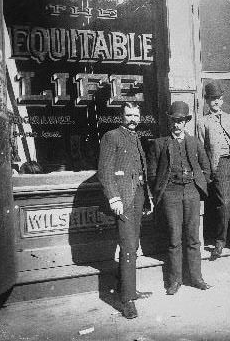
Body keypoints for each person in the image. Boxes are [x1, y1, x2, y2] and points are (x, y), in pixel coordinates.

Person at [147, 101, 212, 296]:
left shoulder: (194, 142)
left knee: (193, 237)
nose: (177, 125)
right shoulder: (159, 144)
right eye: (174, 121)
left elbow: (206, 167)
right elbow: (151, 173)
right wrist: (162, 191)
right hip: (171, 193)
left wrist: (200, 185)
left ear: (186, 122)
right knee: (174, 238)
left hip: (191, 191)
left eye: (181, 121)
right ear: (170, 121)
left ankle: (196, 278)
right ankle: (175, 280)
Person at [97, 102, 153, 319]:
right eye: (128, 115)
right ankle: (127, 301)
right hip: (124, 199)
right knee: (129, 247)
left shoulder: (135, 137)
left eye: (136, 115)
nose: (132, 118)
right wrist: (114, 198)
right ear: (121, 116)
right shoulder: (112, 136)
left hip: (137, 195)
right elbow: (104, 171)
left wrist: (147, 199)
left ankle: (127, 289)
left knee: (132, 244)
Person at [197, 81, 230, 260]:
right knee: (224, 203)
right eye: (212, 99)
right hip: (219, 165)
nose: (216, 102)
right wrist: (208, 170)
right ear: (207, 101)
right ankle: (220, 240)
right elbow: (201, 148)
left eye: (218, 98)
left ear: (222, 100)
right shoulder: (203, 121)